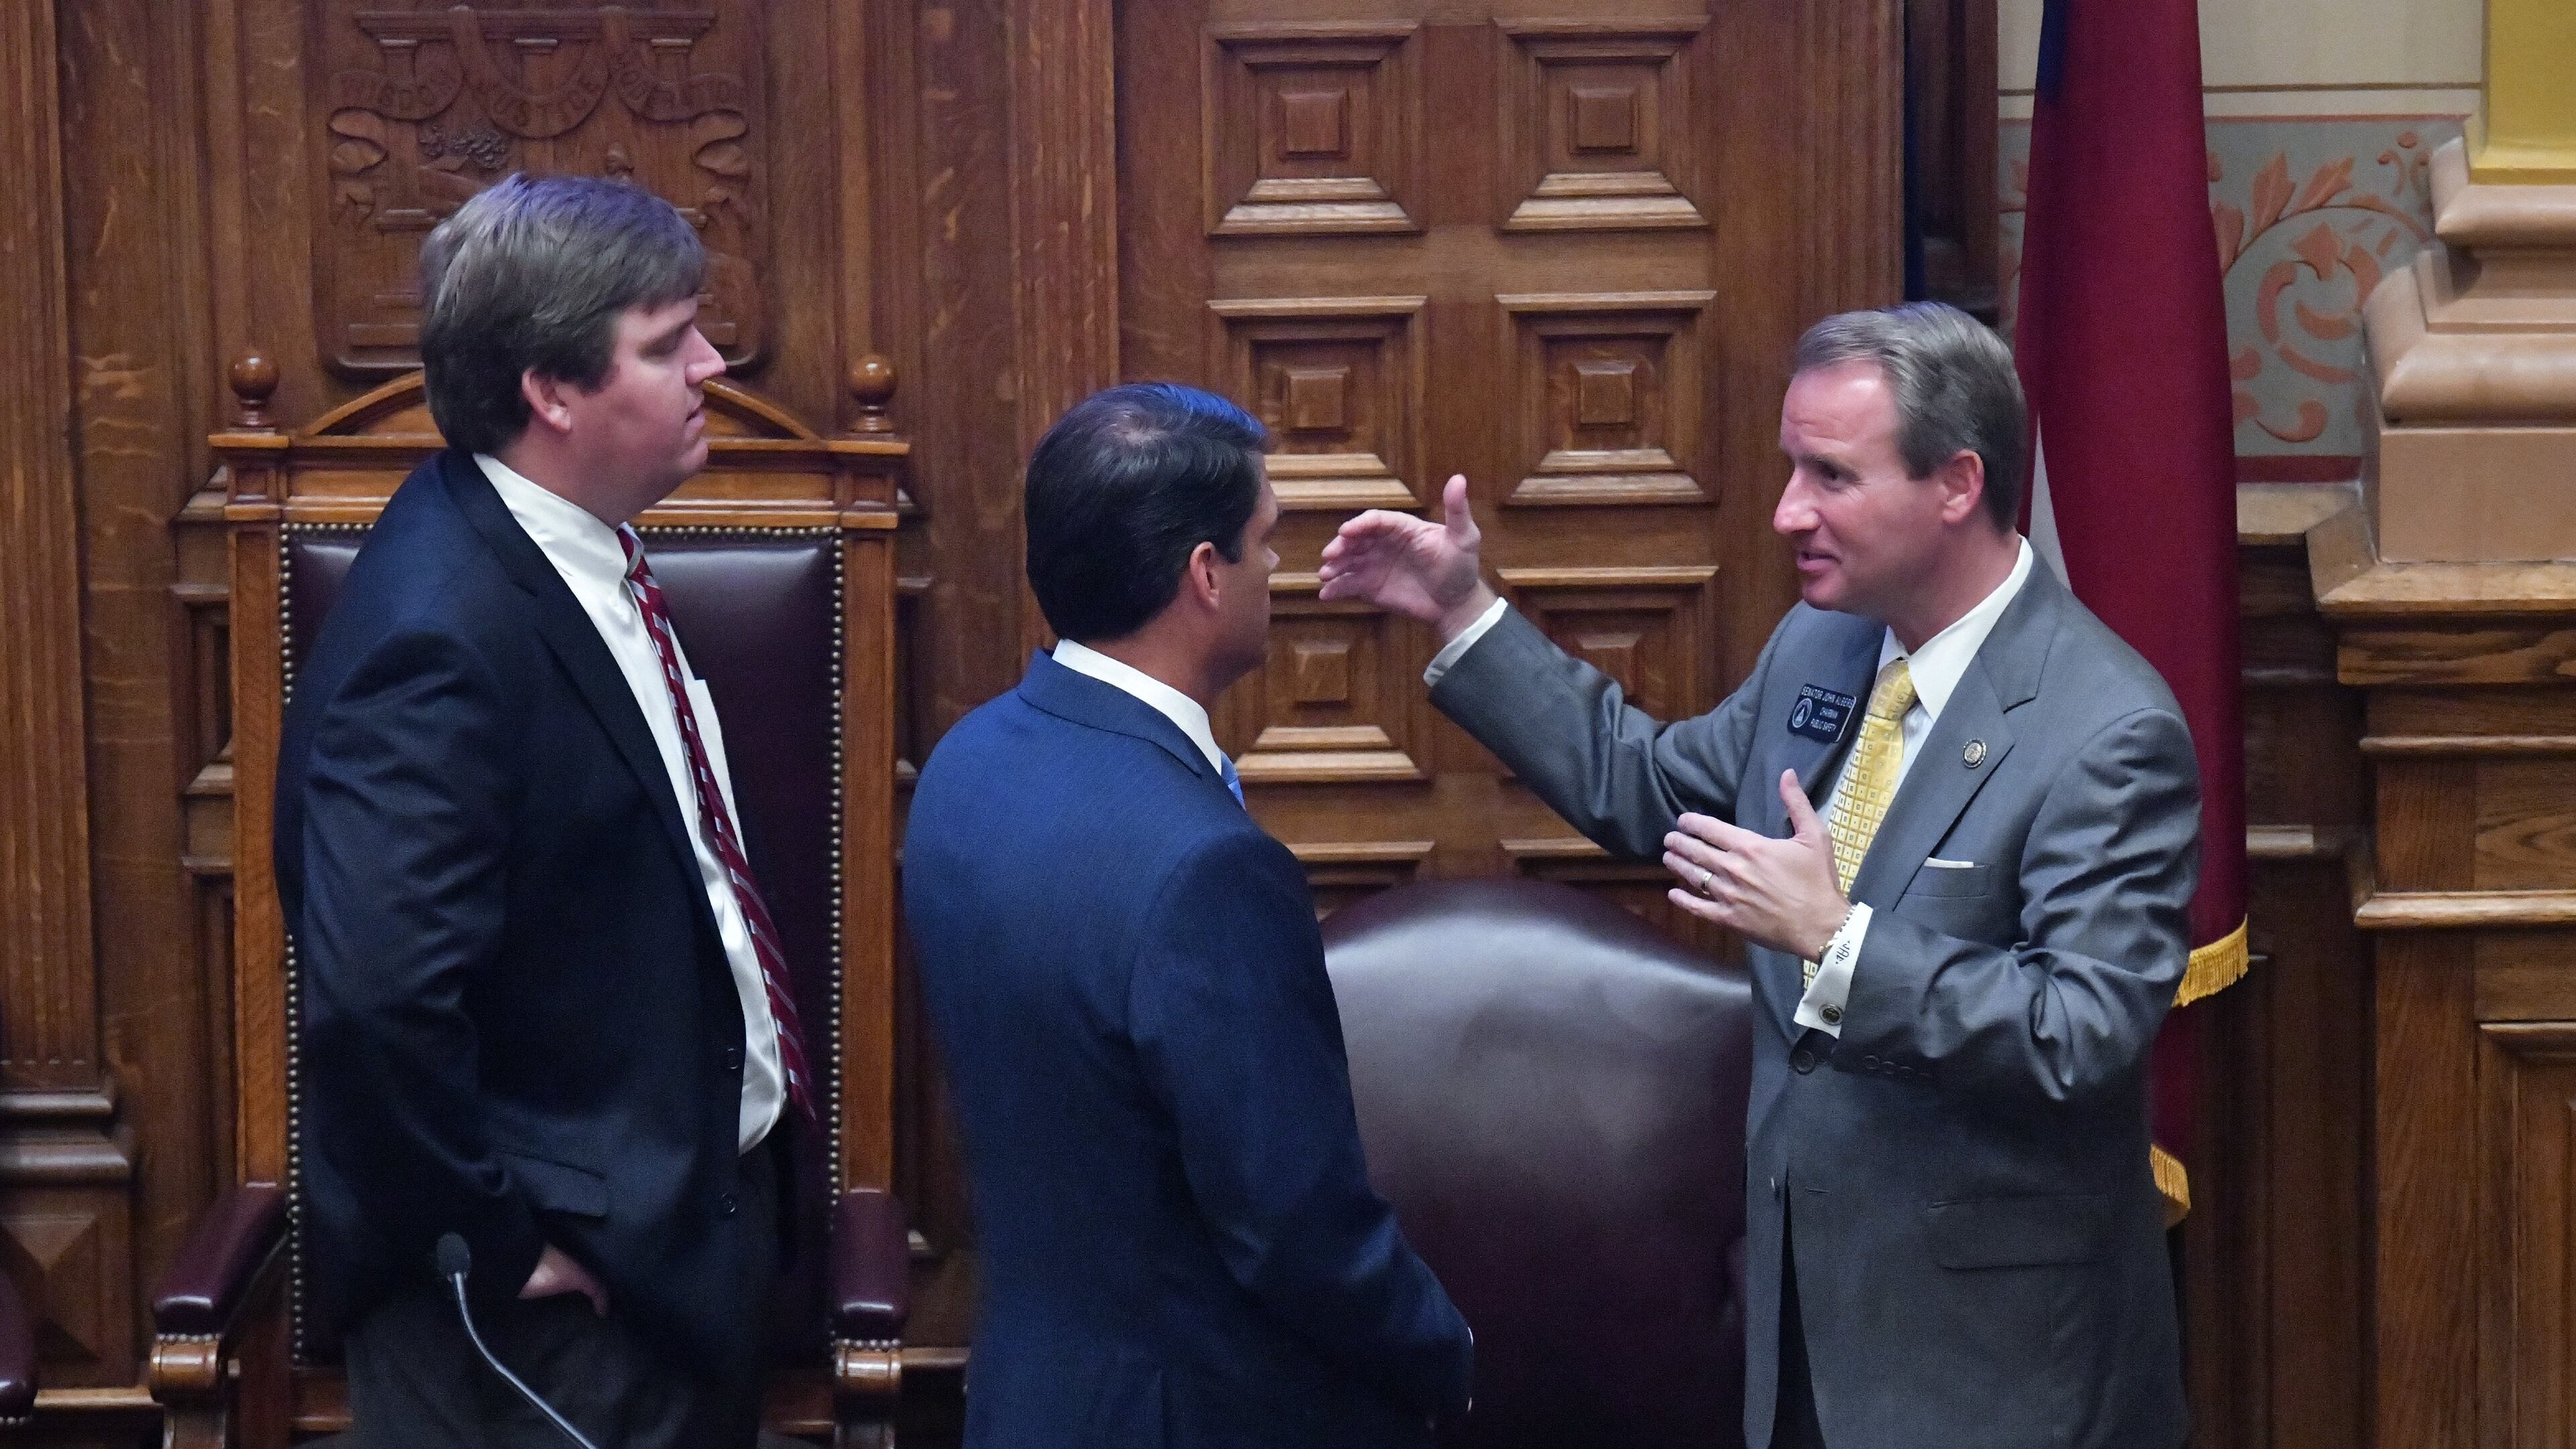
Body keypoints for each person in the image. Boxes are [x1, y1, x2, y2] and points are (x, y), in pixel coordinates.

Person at [1318, 301, 2196, 1449]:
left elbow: (2078, 1032)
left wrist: (1842, 948)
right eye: (1793, 468)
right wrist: (1463, 614)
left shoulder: (2106, 728)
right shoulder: (1824, 644)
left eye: (1832, 476)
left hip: (1993, 1367)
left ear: (1957, 484)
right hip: (1800, 1335)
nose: (1790, 512)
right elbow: (1648, 784)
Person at [276, 173, 806, 1448]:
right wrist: (495, 1247)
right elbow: (377, 1004)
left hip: (661, 1264)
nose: (713, 364)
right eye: (668, 342)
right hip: (542, 1331)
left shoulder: (568, 549)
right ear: (551, 391)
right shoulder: (440, 635)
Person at [904, 383, 1475, 1447]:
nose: (1280, 572)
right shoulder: (1209, 869)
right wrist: (1444, 1352)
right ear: (1204, 576)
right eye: (1267, 543)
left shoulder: (968, 765)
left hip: (1034, 1398)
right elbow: (1292, 1224)